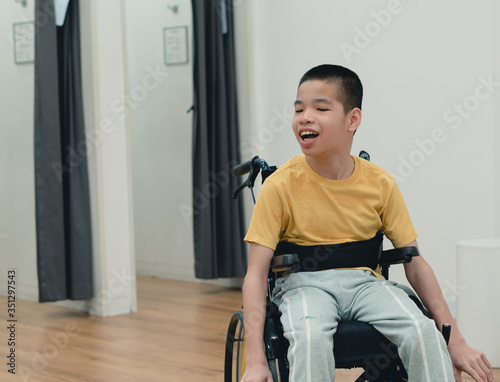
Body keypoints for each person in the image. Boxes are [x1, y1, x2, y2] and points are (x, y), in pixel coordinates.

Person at [240, 64, 494, 382]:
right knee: (310, 335)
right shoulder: (280, 186)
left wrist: (455, 340)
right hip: (303, 286)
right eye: (298, 109)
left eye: (320, 107)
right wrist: (255, 362)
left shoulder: (380, 183)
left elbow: (414, 262)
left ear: (353, 119)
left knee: (420, 329)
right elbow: (255, 275)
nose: (305, 116)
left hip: (366, 284)